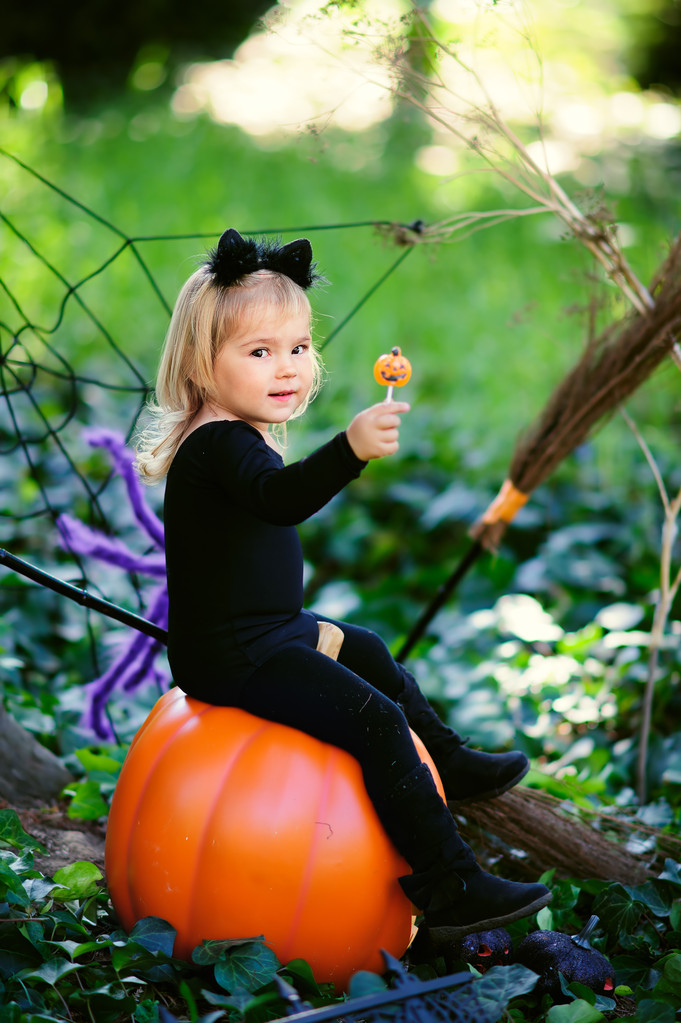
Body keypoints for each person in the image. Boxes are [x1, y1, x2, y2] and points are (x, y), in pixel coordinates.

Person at [136, 228, 551, 939]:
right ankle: (449, 885)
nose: (287, 367)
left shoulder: (233, 431)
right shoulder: (219, 443)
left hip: (271, 631)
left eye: (297, 347)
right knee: (373, 719)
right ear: (203, 364)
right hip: (235, 657)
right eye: (259, 352)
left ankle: (448, 759)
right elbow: (281, 500)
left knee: (364, 647)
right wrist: (349, 448)